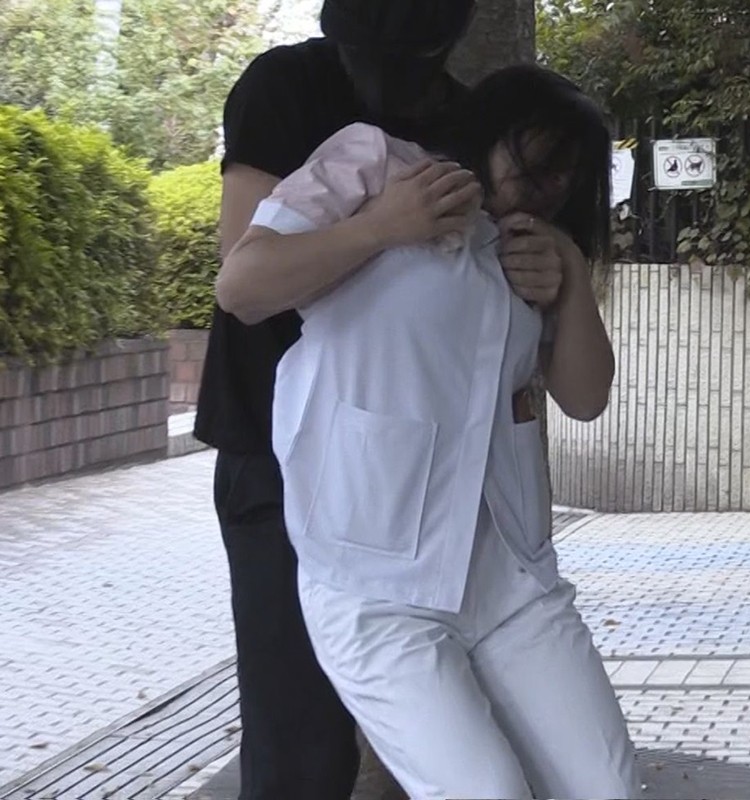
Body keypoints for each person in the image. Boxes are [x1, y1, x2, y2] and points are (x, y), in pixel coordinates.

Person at [216, 65, 643, 799]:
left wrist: (571, 274)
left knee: (607, 787)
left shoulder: (527, 245)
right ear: (489, 130)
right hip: (374, 584)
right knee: (486, 791)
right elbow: (242, 287)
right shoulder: (376, 165)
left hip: (509, 579)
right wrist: (381, 227)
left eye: (564, 178)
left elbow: (585, 397)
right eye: (533, 161)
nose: (543, 189)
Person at [193, 2, 477, 798]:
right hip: (278, 456)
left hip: (412, 469)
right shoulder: (285, 85)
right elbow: (247, 281)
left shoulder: (467, 119)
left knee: (429, 738)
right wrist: (382, 227)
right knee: (299, 740)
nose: (386, 68)